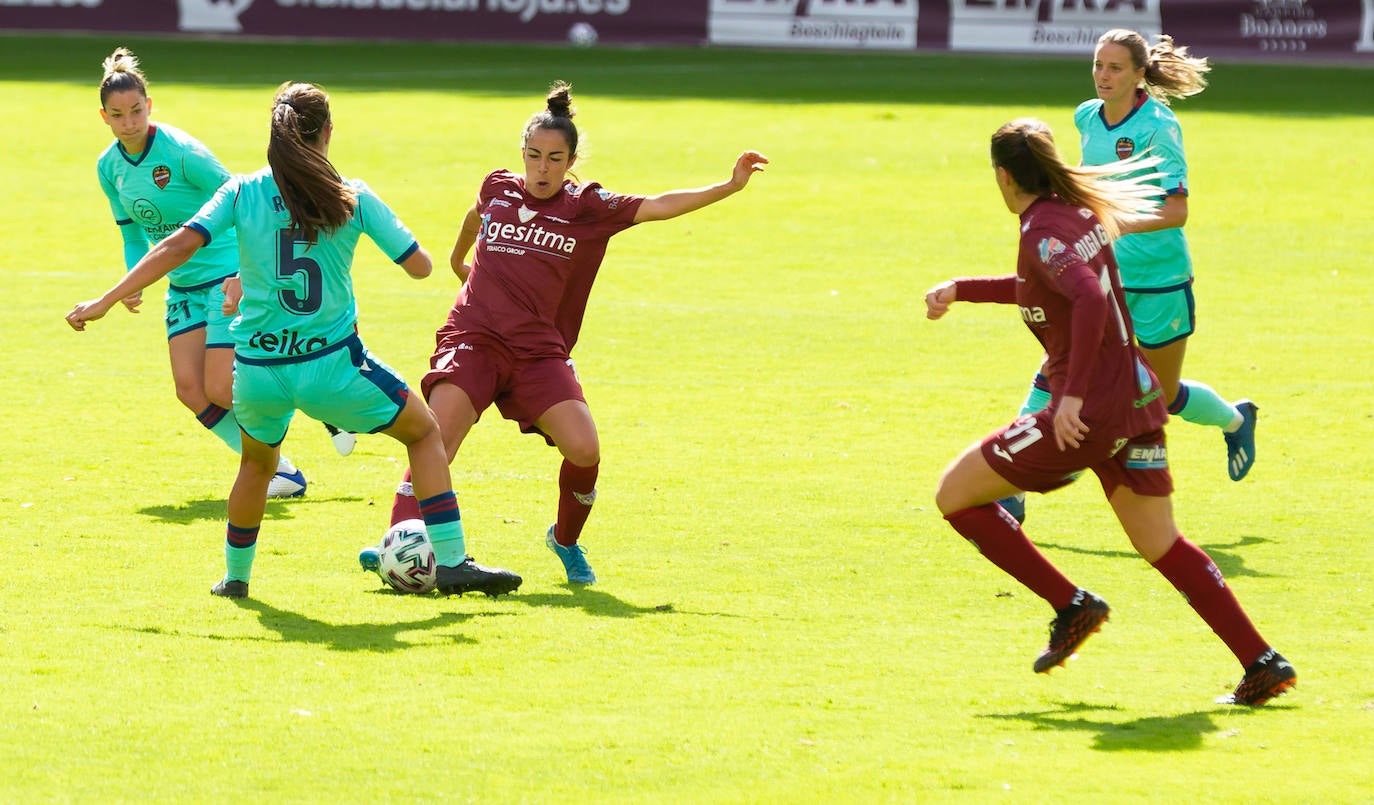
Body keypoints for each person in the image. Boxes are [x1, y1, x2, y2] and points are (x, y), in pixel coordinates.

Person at [68, 81, 521, 600]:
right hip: (332, 367)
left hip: (258, 373)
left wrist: (106, 299)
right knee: (424, 433)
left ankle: (235, 579)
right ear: (328, 132)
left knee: (256, 464)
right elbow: (420, 266)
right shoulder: (352, 195)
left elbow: (175, 246)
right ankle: (454, 561)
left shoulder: (241, 191)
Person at [925, 118, 1294, 706]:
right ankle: (1263, 662)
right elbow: (1046, 287)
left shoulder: (1043, 231)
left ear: (1003, 176)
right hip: (1136, 401)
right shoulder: (1077, 213)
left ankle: (1072, 605)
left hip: (1088, 416)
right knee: (1162, 544)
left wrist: (1069, 398)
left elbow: (1088, 295)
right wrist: (962, 289)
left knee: (956, 495)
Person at [387, 81, 767, 585]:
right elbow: (475, 214)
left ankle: (564, 540)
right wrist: (460, 261)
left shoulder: (588, 206)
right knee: (437, 436)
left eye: (554, 159)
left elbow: (658, 205)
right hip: (473, 337)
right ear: (522, 154)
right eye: (534, 156)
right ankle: (397, 543)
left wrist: (729, 185)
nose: (542, 169)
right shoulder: (497, 186)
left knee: (585, 450)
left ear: (570, 162)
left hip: (537, 352)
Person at [1001, 30, 1255, 524]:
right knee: (1056, 371)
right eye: (1098, 65)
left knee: (1162, 394)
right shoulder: (1086, 117)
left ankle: (1236, 419)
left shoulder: (1159, 126)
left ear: (1140, 74)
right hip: (1101, 275)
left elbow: (1176, 210)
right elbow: (1090, 180)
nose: (1103, 75)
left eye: (1115, 67)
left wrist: (1111, 221)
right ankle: (1013, 488)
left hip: (1159, 281)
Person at [92, 48, 354, 502]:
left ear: (149, 105)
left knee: (220, 385)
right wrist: (134, 281)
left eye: (136, 110)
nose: (129, 122)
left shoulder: (182, 152)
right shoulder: (108, 167)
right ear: (104, 117)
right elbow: (132, 233)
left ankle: (326, 405)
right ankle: (283, 473)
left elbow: (243, 202)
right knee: (190, 390)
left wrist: (247, 273)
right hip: (182, 285)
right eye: (118, 115)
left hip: (225, 275)